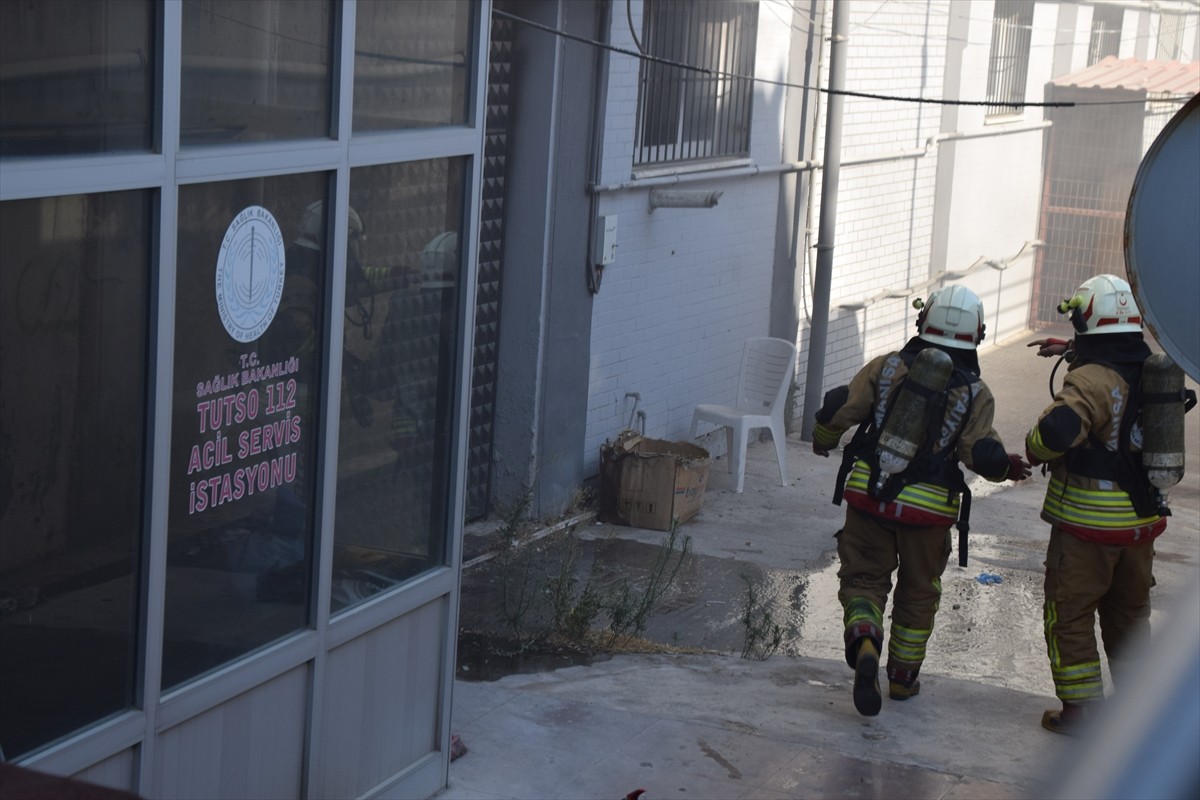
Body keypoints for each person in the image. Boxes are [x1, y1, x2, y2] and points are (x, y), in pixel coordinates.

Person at [811, 284, 1030, 717]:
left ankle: (866, 637)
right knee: (918, 591)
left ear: (921, 322)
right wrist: (1008, 468)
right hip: (928, 513)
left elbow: (843, 408)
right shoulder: (975, 392)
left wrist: (823, 437)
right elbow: (979, 453)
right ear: (978, 335)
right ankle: (903, 678)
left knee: (863, 578)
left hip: (870, 496)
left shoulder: (886, 367)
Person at [1024, 273, 1170, 736]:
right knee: (1130, 616)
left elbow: (1055, 435)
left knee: (1069, 614)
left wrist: (1033, 447)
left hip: (1087, 527)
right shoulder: (1150, 370)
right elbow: (1113, 380)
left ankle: (1081, 711)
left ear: (1089, 320)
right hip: (1141, 524)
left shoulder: (1088, 380)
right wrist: (1067, 348)